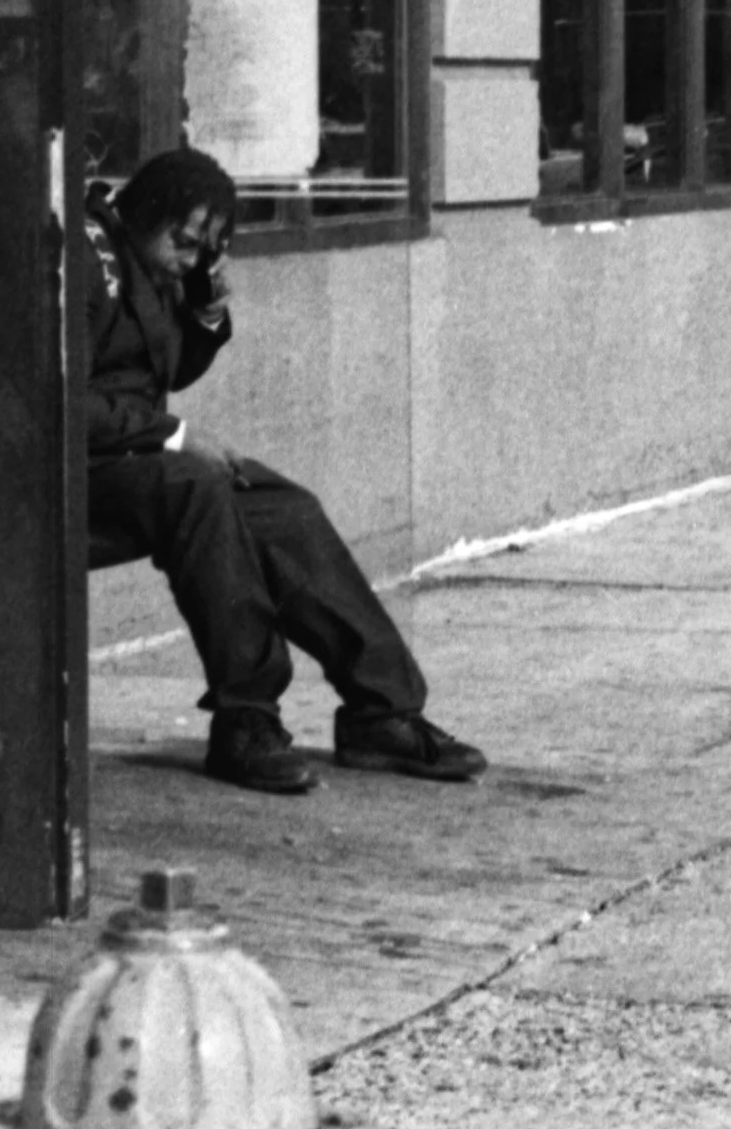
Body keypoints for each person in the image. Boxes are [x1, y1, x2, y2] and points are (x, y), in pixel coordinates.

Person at [82, 147, 487, 796]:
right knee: (198, 485)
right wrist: (176, 435)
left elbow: (159, 368)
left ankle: (382, 710)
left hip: (135, 461)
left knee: (282, 506)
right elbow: (54, 396)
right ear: (144, 213)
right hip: (68, 471)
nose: (190, 261)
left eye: (206, 251)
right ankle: (246, 717)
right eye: (184, 243)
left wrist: (206, 314)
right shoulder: (86, 257)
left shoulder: (150, 264)